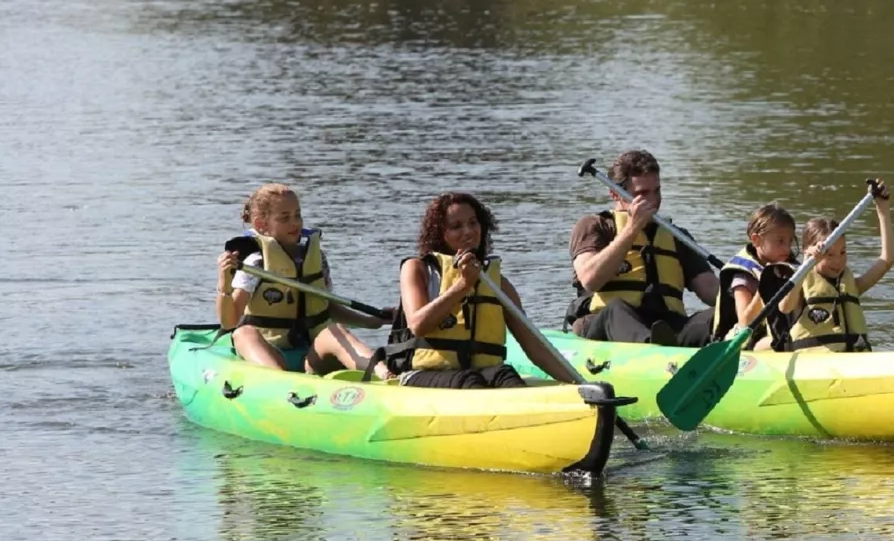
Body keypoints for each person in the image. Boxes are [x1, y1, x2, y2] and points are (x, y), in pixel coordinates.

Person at [387, 191, 575, 388]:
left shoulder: (497, 283)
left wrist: (579, 384)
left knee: (506, 375)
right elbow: (418, 325)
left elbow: (534, 345)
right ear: (440, 233)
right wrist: (462, 285)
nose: (468, 231)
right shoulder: (417, 268)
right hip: (425, 374)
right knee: (470, 381)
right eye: (456, 226)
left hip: (483, 372)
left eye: (473, 223)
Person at [216, 183, 385, 375]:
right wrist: (224, 283)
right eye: (285, 218)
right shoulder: (255, 262)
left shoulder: (316, 257)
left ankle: (383, 373)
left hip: (311, 354)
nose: (294, 223)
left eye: (298, 214)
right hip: (270, 350)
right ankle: (280, 383)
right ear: (261, 224)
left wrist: (371, 321)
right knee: (243, 333)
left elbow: (325, 308)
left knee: (334, 330)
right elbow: (229, 322)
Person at [567, 149, 719, 346]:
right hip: (607, 324)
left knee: (721, 314)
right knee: (615, 309)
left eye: (657, 191)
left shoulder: (676, 235)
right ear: (615, 193)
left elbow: (709, 289)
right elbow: (589, 280)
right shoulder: (594, 226)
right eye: (642, 194)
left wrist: (745, 295)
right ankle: (652, 349)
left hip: (667, 325)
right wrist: (631, 229)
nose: (654, 200)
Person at [779, 179, 894, 352]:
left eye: (843, 252)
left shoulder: (850, 286)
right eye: (829, 254)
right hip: (813, 364)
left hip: (852, 362)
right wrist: (806, 264)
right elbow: (785, 307)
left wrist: (882, 207)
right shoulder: (800, 282)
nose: (838, 261)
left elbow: (887, 259)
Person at [710, 202, 797, 344]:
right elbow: (745, 322)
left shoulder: (790, 269)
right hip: (750, 341)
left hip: (780, 335)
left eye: (790, 241)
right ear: (756, 240)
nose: (787, 249)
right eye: (780, 241)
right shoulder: (743, 278)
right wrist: (765, 285)